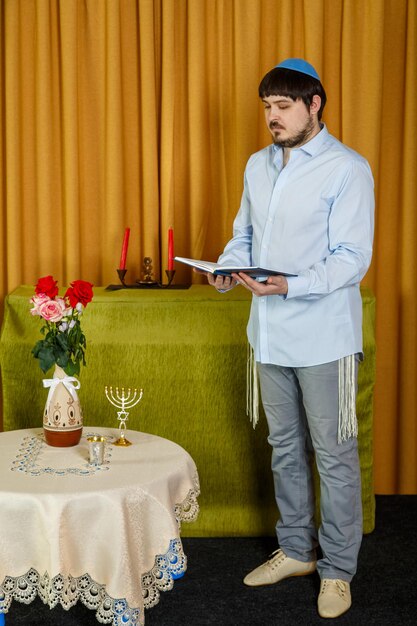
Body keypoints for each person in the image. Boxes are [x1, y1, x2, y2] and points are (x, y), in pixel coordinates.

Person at [204, 58, 374, 618]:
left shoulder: (347, 169)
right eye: (267, 108)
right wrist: (227, 269)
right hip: (270, 335)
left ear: (314, 104)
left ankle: (339, 569)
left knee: (333, 455)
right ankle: (298, 549)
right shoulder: (257, 165)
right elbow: (243, 235)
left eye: (283, 107)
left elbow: (352, 259)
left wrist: (290, 284)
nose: (272, 118)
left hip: (324, 335)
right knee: (284, 450)